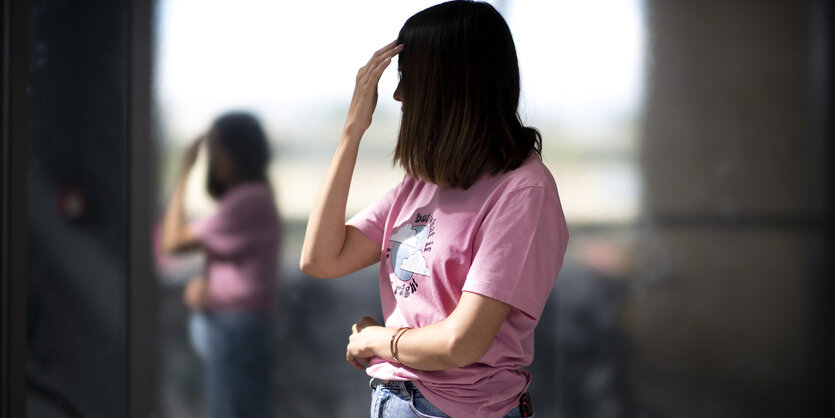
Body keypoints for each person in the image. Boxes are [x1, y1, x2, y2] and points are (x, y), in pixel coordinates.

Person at [300, 1, 569, 417]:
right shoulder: (424, 182)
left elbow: (461, 343)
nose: (398, 95)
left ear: (447, 84)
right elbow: (320, 258)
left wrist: (379, 341)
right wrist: (352, 130)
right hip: (395, 398)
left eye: (409, 79)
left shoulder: (522, 191)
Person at [161, 111, 280, 418]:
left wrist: (185, 168)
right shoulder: (255, 197)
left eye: (217, 149)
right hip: (237, 327)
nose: (212, 159)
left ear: (238, 152)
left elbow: (172, 240)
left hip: (236, 329)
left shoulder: (248, 199)